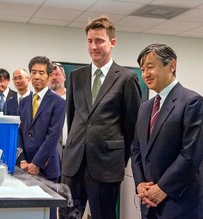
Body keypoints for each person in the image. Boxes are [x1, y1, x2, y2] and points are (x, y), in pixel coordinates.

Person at [60, 16, 141, 219]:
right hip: (73, 164)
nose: (93, 46)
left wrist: (118, 159)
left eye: (99, 41)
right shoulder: (76, 77)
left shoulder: (126, 78)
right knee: (68, 216)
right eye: (90, 41)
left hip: (106, 166)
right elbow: (73, 119)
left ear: (112, 43)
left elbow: (132, 127)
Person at [131, 43, 203, 219]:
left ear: (172, 66)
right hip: (149, 203)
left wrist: (162, 188)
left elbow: (191, 155)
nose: (145, 74)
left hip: (180, 204)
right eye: (142, 69)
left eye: (150, 67)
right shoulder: (145, 108)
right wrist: (140, 184)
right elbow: (136, 149)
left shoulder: (192, 102)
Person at [17, 56, 65, 219]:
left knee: (48, 213)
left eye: (41, 73)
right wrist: (22, 159)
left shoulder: (58, 102)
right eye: (34, 72)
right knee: (29, 212)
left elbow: (53, 135)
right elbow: (20, 132)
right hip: (25, 167)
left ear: (49, 75)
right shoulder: (24, 102)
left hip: (47, 166)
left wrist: (36, 163)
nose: (37, 76)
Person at [48, 62, 67, 158]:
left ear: (64, 77)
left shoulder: (75, 98)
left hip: (71, 150)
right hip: (48, 153)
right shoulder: (42, 100)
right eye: (51, 75)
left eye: (57, 74)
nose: (54, 78)